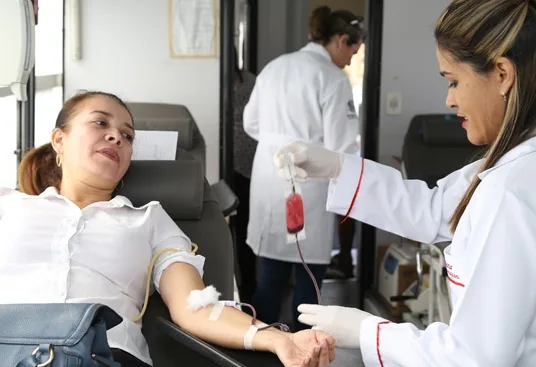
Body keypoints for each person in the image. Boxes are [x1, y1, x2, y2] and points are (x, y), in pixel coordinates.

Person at [274, 0, 536, 365]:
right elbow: (434, 208)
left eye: (454, 81)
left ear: (503, 74)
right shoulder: (511, 164)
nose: (449, 99)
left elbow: (475, 358)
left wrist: (369, 331)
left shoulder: (511, 190)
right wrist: (337, 167)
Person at [0, 91, 336, 367]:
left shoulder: (149, 220)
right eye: (100, 123)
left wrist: (280, 338)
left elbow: (196, 307)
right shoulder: (9, 205)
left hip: (100, 356)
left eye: (128, 135)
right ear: (59, 139)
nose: (116, 136)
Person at [243, 5, 366, 332]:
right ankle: (301, 346)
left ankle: (260, 347)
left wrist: (278, 141)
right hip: (308, 183)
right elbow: (341, 148)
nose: (352, 58)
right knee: (310, 278)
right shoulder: (332, 78)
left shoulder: (274, 67)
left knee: (270, 274)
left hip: (269, 177)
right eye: (353, 49)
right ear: (341, 40)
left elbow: (250, 123)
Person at [232, 46, 259, 304]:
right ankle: (243, 286)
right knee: (239, 228)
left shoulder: (250, 81)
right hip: (239, 166)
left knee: (244, 229)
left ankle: (247, 286)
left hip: (246, 166)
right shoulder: (247, 80)